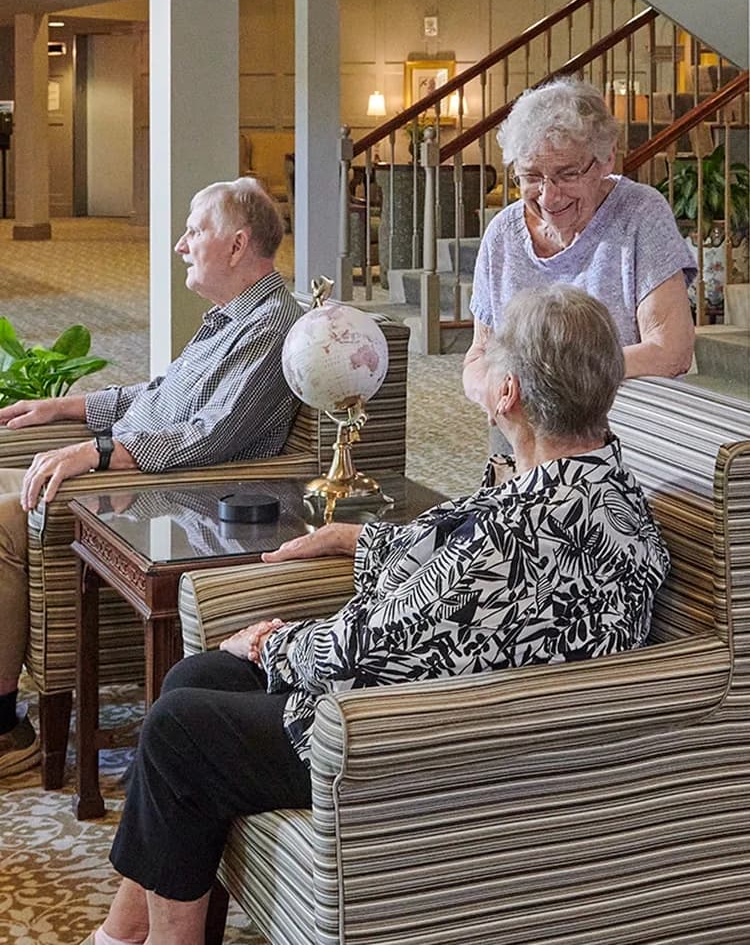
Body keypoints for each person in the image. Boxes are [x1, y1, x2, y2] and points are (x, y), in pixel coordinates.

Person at [81, 285, 670, 945]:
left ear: (508, 394)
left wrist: (271, 645)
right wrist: (357, 539)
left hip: (417, 737)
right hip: (442, 699)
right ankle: (123, 933)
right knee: (195, 682)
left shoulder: (527, 528)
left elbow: (385, 641)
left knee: (179, 730)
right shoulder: (602, 488)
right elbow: (459, 562)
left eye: (489, 358)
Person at [0, 177, 303, 776]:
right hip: (132, 467)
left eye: (194, 232)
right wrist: (68, 409)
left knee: (3, 520)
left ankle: (6, 726)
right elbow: (160, 395)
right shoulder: (229, 317)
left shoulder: (270, 326)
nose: (180, 246)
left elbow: (207, 438)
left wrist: (100, 450)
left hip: (169, 497)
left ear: (238, 244)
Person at [463, 76, 696, 412]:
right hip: (526, 433)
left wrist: (547, 382)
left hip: (622, 429)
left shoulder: (640, 215)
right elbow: (480, 353)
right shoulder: (503, 234)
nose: (548, 195)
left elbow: (671, 352)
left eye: (568, 174)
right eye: (530, 176)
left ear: (606, 159)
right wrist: (484, 386)